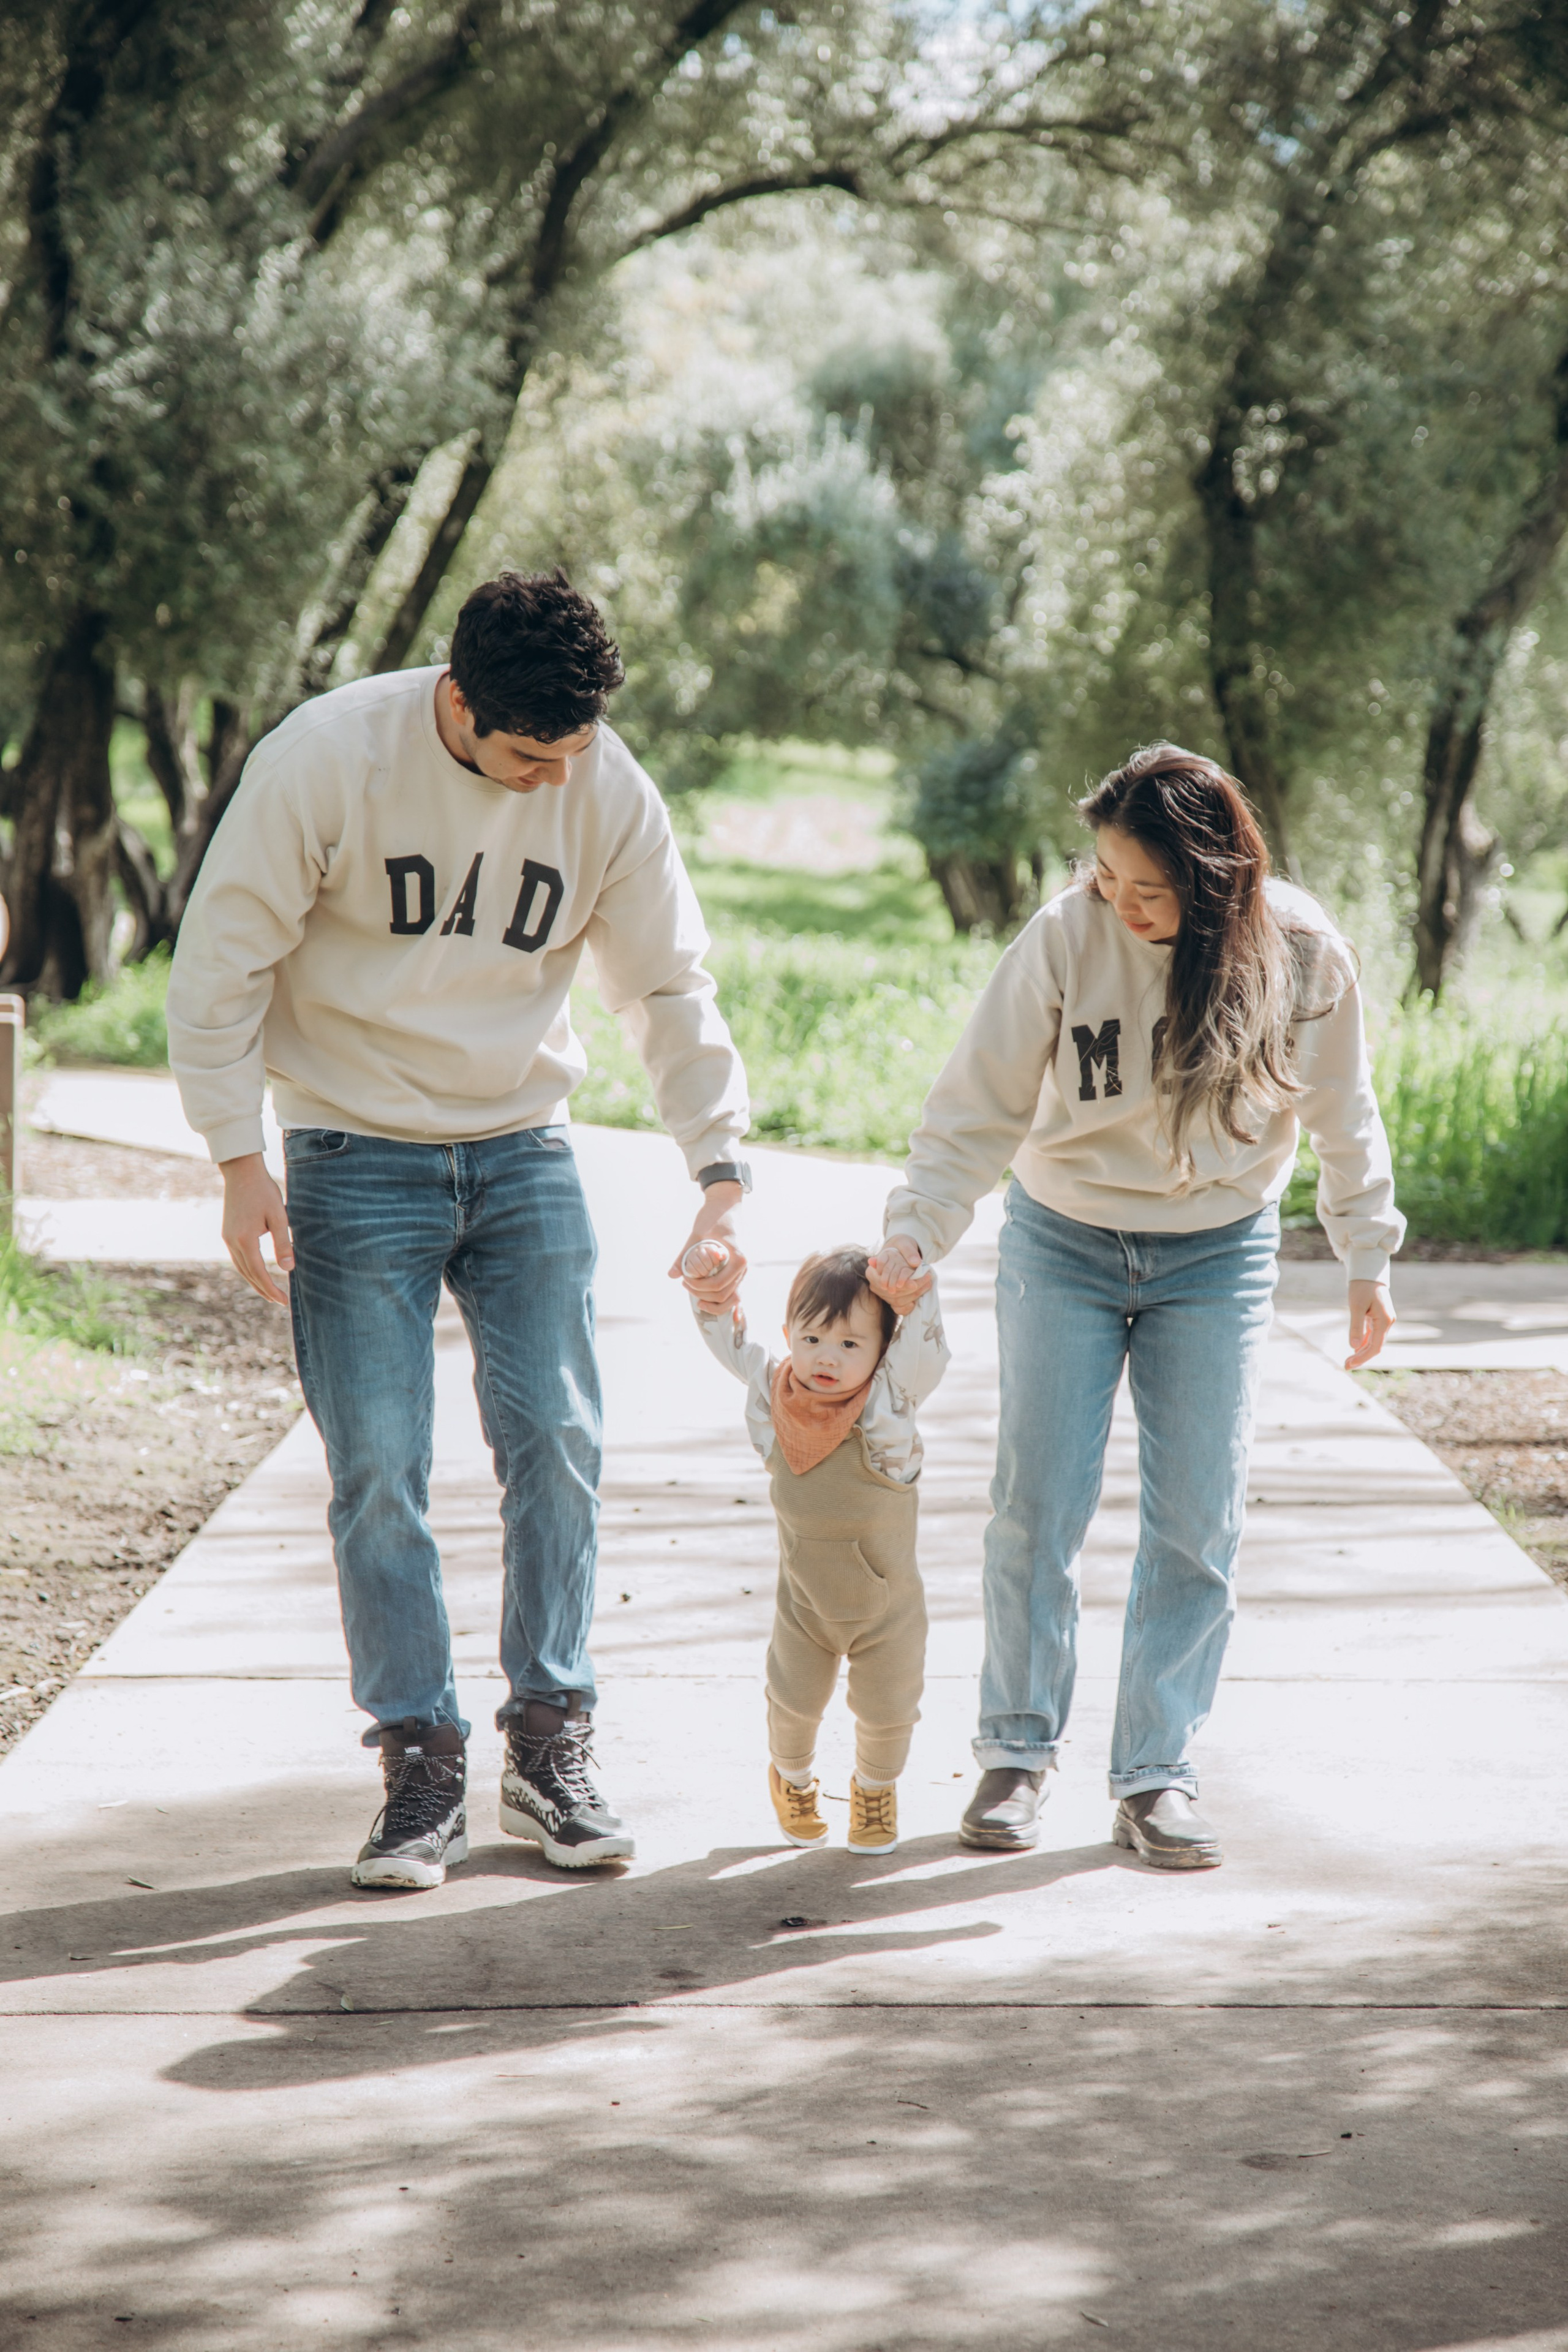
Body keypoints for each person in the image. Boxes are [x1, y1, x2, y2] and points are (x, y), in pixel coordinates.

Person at [167, 570, 750, 1890]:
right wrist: (234, 1160)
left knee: (558, 1438)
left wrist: (716, 1164)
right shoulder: (326, 759)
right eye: (527, 754)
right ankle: (419, 1764)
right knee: (378, 1469)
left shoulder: (602, 782)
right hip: (347, 1150)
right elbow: (221, 961)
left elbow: (663, 980)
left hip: (520, 1147)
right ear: (458, 703)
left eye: (574, 751)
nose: (553, 778)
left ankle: (550, 1742)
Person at [880, 744, 1403, 1869]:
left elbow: (1345, 1114)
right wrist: (918, 1224)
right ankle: (1016, 1753)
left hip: (1218, 1255)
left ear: (1220, 886)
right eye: (1105, 874)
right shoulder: (1067, 934)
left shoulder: (1304, 957)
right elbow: (977, 1097)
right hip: (1063, 1239)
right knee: (1037, 1505)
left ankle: (1156, 1772)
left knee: (1197, 1520)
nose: (1116, 901)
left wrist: (1369, 1254)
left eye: (1148, 890)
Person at [693, 1242, 948, 1854]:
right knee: (792, 1702)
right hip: (804, 1607)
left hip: (887, 1612)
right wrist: (711, 1291)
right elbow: (730, 1341)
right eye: (810, 1340)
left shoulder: (888, 1407)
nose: (825, 1359)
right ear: (789, 1334)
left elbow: (925, 1348)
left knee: (890, 1709)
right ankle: (793, 1779)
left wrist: (916, 1292)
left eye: (850, 1345)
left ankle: (875, 1790)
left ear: (882, 1351)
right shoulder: (776, 1397)